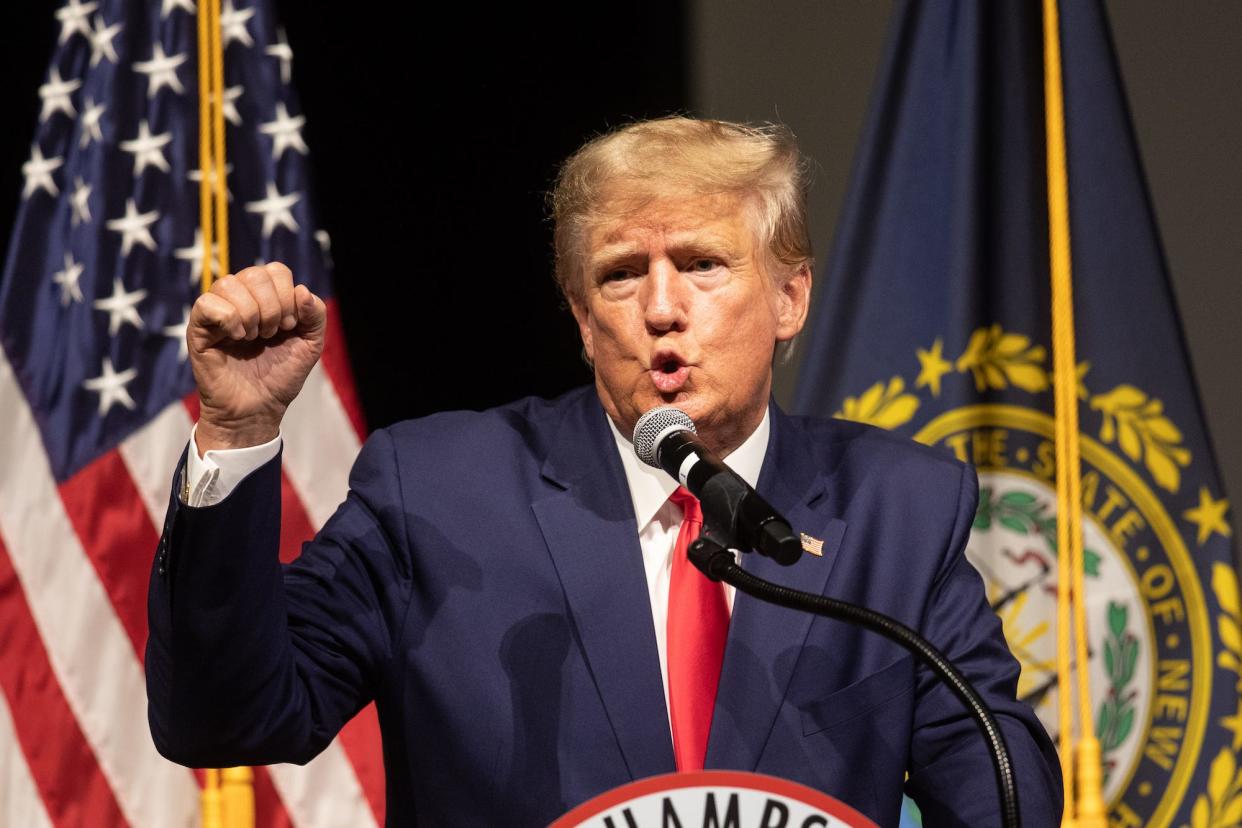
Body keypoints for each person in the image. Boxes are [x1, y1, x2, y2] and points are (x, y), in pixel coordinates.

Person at [146, 117, 1062, 826]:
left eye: (703, 264)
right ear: (584, 321)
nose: (663, 309)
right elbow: (223, 718)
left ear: (789, 298)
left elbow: (999, 799)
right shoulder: (437, 491)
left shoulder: (897, 507)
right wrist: (237, 428)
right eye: (623, 275)